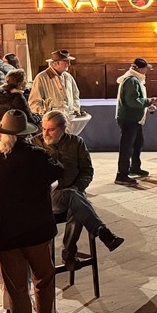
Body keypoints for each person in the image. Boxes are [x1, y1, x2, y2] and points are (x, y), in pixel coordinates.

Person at [0, 110, 69, 313]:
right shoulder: (38, 156)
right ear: (25, 135)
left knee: (16, 287)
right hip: (36, 230)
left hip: (6, 234)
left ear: (1, 134)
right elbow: (58, 171)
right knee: (44, 278)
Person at [32, 110, 125, 267]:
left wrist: (77, 187)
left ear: (63, 128)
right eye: (44, 128)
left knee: (76, 204)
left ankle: (69, 255)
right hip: (48, 197)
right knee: (78, 202)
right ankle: (100, 234)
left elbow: (87, 171)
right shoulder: (35, 144)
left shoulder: (76, 142)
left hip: (73, 194)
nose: (46, 133)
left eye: (51, 129)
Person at [115, 58, 157, 185]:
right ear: (139, 69)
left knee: (138, 143)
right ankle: (121, 175)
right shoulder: (132, 81)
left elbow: (136, 101)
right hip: (129, 118)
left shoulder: (135, 79)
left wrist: (147, 106)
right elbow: (133, 101)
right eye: (146, 68)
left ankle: (134, 167)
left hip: (134, 118)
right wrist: (149, 101)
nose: (147, 71)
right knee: (127, 147)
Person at [28, 49, 81, 117]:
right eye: (66, 62)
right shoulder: (41, 78)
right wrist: (45, 114)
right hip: (52, 120)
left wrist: (75, 109)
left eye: (69, 61)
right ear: (55, 63)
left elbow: (75, 95)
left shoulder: (68, 77)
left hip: (69, 117)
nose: (69, 64)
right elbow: (34, 102)